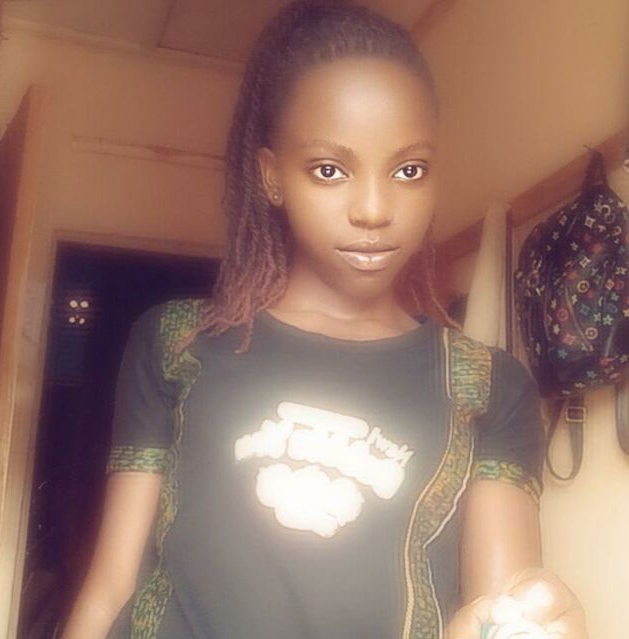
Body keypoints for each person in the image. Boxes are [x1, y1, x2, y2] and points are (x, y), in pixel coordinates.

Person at [61, 1, 587, 638]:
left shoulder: (486, 385)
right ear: (271, 177)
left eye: (408, 170)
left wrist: (537, 620)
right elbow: (111, 586)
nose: (374, 208)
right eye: (330, 170)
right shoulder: (177, 342)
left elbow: (503, 611)